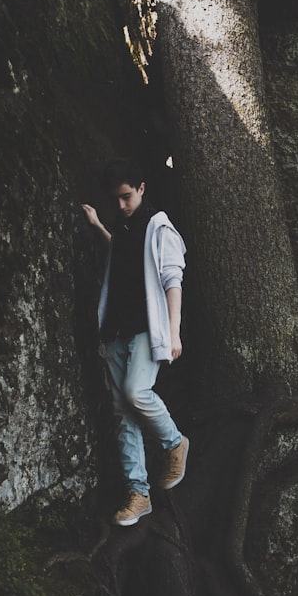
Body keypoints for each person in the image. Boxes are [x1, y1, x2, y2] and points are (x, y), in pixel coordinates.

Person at [81, 158, 189, 526]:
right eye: (116, 200)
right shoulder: (123, 228)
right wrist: (98, 225)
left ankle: (174, 443)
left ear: (142, 188)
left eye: (127, 197)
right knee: (122, 413)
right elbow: (123, 258)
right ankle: (138, 492)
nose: (122, 205)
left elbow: (172, 279)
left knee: (136, 393)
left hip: (147, 329)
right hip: (114, 330)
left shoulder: (159, 226)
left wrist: (174, 332)